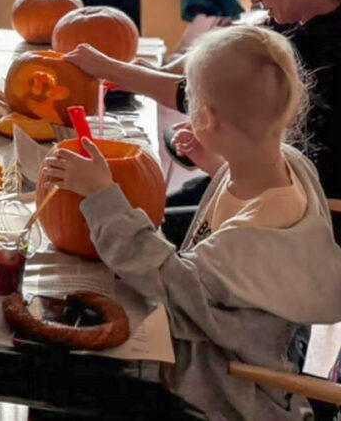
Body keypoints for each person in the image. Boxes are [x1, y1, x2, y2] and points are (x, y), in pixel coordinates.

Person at [42, 26, 341, 419]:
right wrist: (218, 163)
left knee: (62, 381)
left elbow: (169, 283)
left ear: (209, 118)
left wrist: (101, 195)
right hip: (236, 345)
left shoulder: (249, 242)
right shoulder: (287, 165)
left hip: (225, 391)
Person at [66, 0, 341, 224]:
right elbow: (229, 45)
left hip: (312, 217)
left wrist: (113, 70)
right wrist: (159, 70)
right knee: (150, 212)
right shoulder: (296, 22)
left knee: (145, 226)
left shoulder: (325, 47)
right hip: (266, 186)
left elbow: (217, 98)